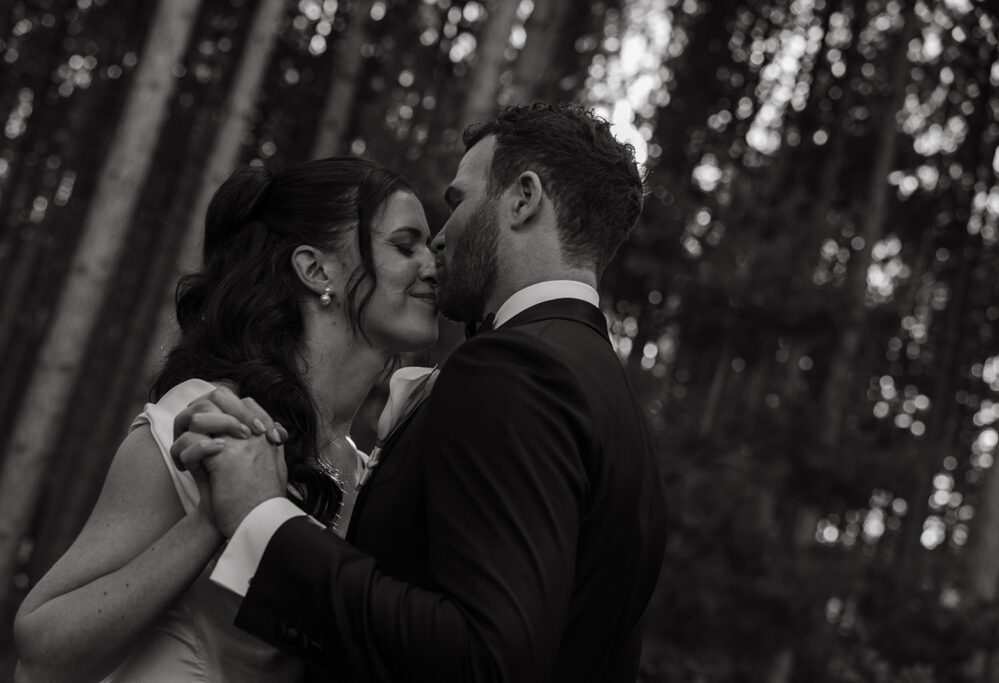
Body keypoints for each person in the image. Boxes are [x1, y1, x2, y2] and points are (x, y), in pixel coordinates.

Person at [174, 103, 668, 682]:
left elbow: (484, 657)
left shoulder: (513, 367)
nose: (440, 236)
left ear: (523, 198)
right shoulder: (614, 404)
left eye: (459, 202)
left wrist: (265, 520)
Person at [12, 158, 439, 682]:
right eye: (405, 244)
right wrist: (211, 521)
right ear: (316, 270)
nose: (433, 261)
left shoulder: (361, 469)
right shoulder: (208, 421)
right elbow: (41, 653)